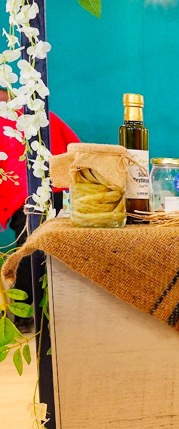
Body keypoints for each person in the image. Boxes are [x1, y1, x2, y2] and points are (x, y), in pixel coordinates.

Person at [0, 91, 80, 330]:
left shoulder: (40, 116)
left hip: (38, 196)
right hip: (54, 192)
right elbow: (75, 148)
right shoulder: (42, 115)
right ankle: (41, 313)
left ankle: (26, 316)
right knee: (42, 252)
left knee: (28, 252)